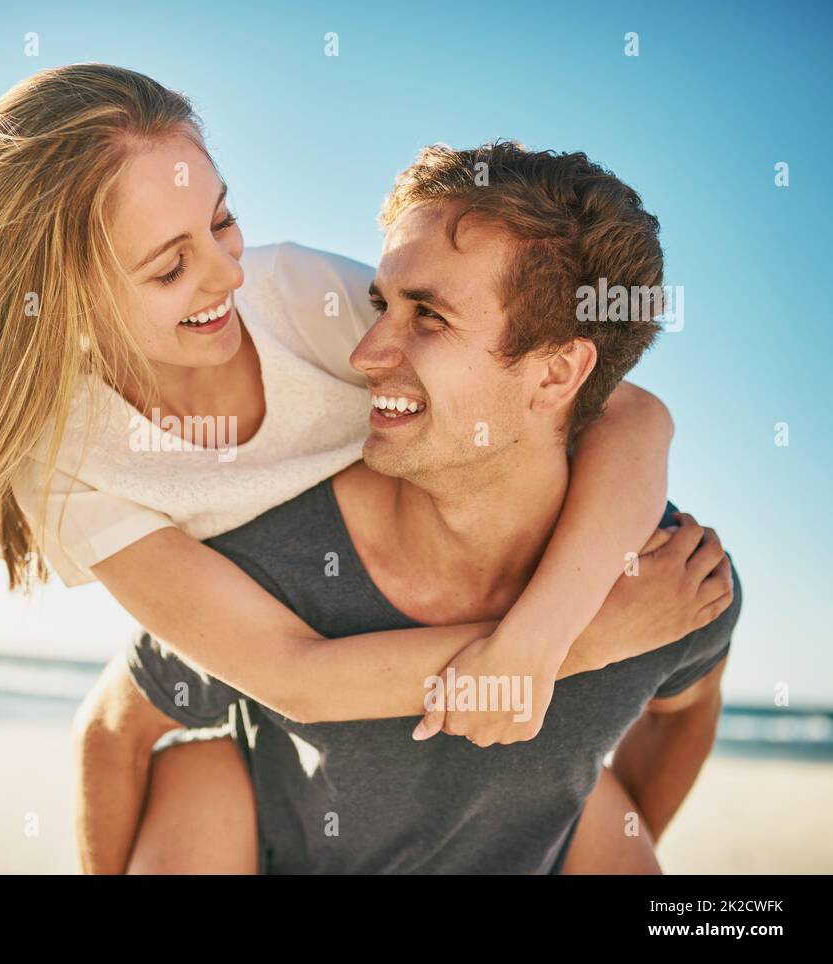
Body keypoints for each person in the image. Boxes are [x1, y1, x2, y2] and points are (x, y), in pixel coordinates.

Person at [0, 66, 718, 873]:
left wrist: (534, 639)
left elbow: (624, 411)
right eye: (165, 264)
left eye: (222, 219)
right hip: (262, 638)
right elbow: (289, 676)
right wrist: (583, 643)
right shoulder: (63, 461)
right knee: (167, 743)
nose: (220, 274)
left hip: (395, 571)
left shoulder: (310, 303)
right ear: (67, 291)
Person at [78, 142, 740, 874]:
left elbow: (685, 714)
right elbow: (115, 730)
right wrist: (559, 647)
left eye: (428, 317)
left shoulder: (663, 579)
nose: (364, 354)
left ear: (557, 374)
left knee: (603, 811)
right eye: (382, 304)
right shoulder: (268, 566)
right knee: (195, 768)